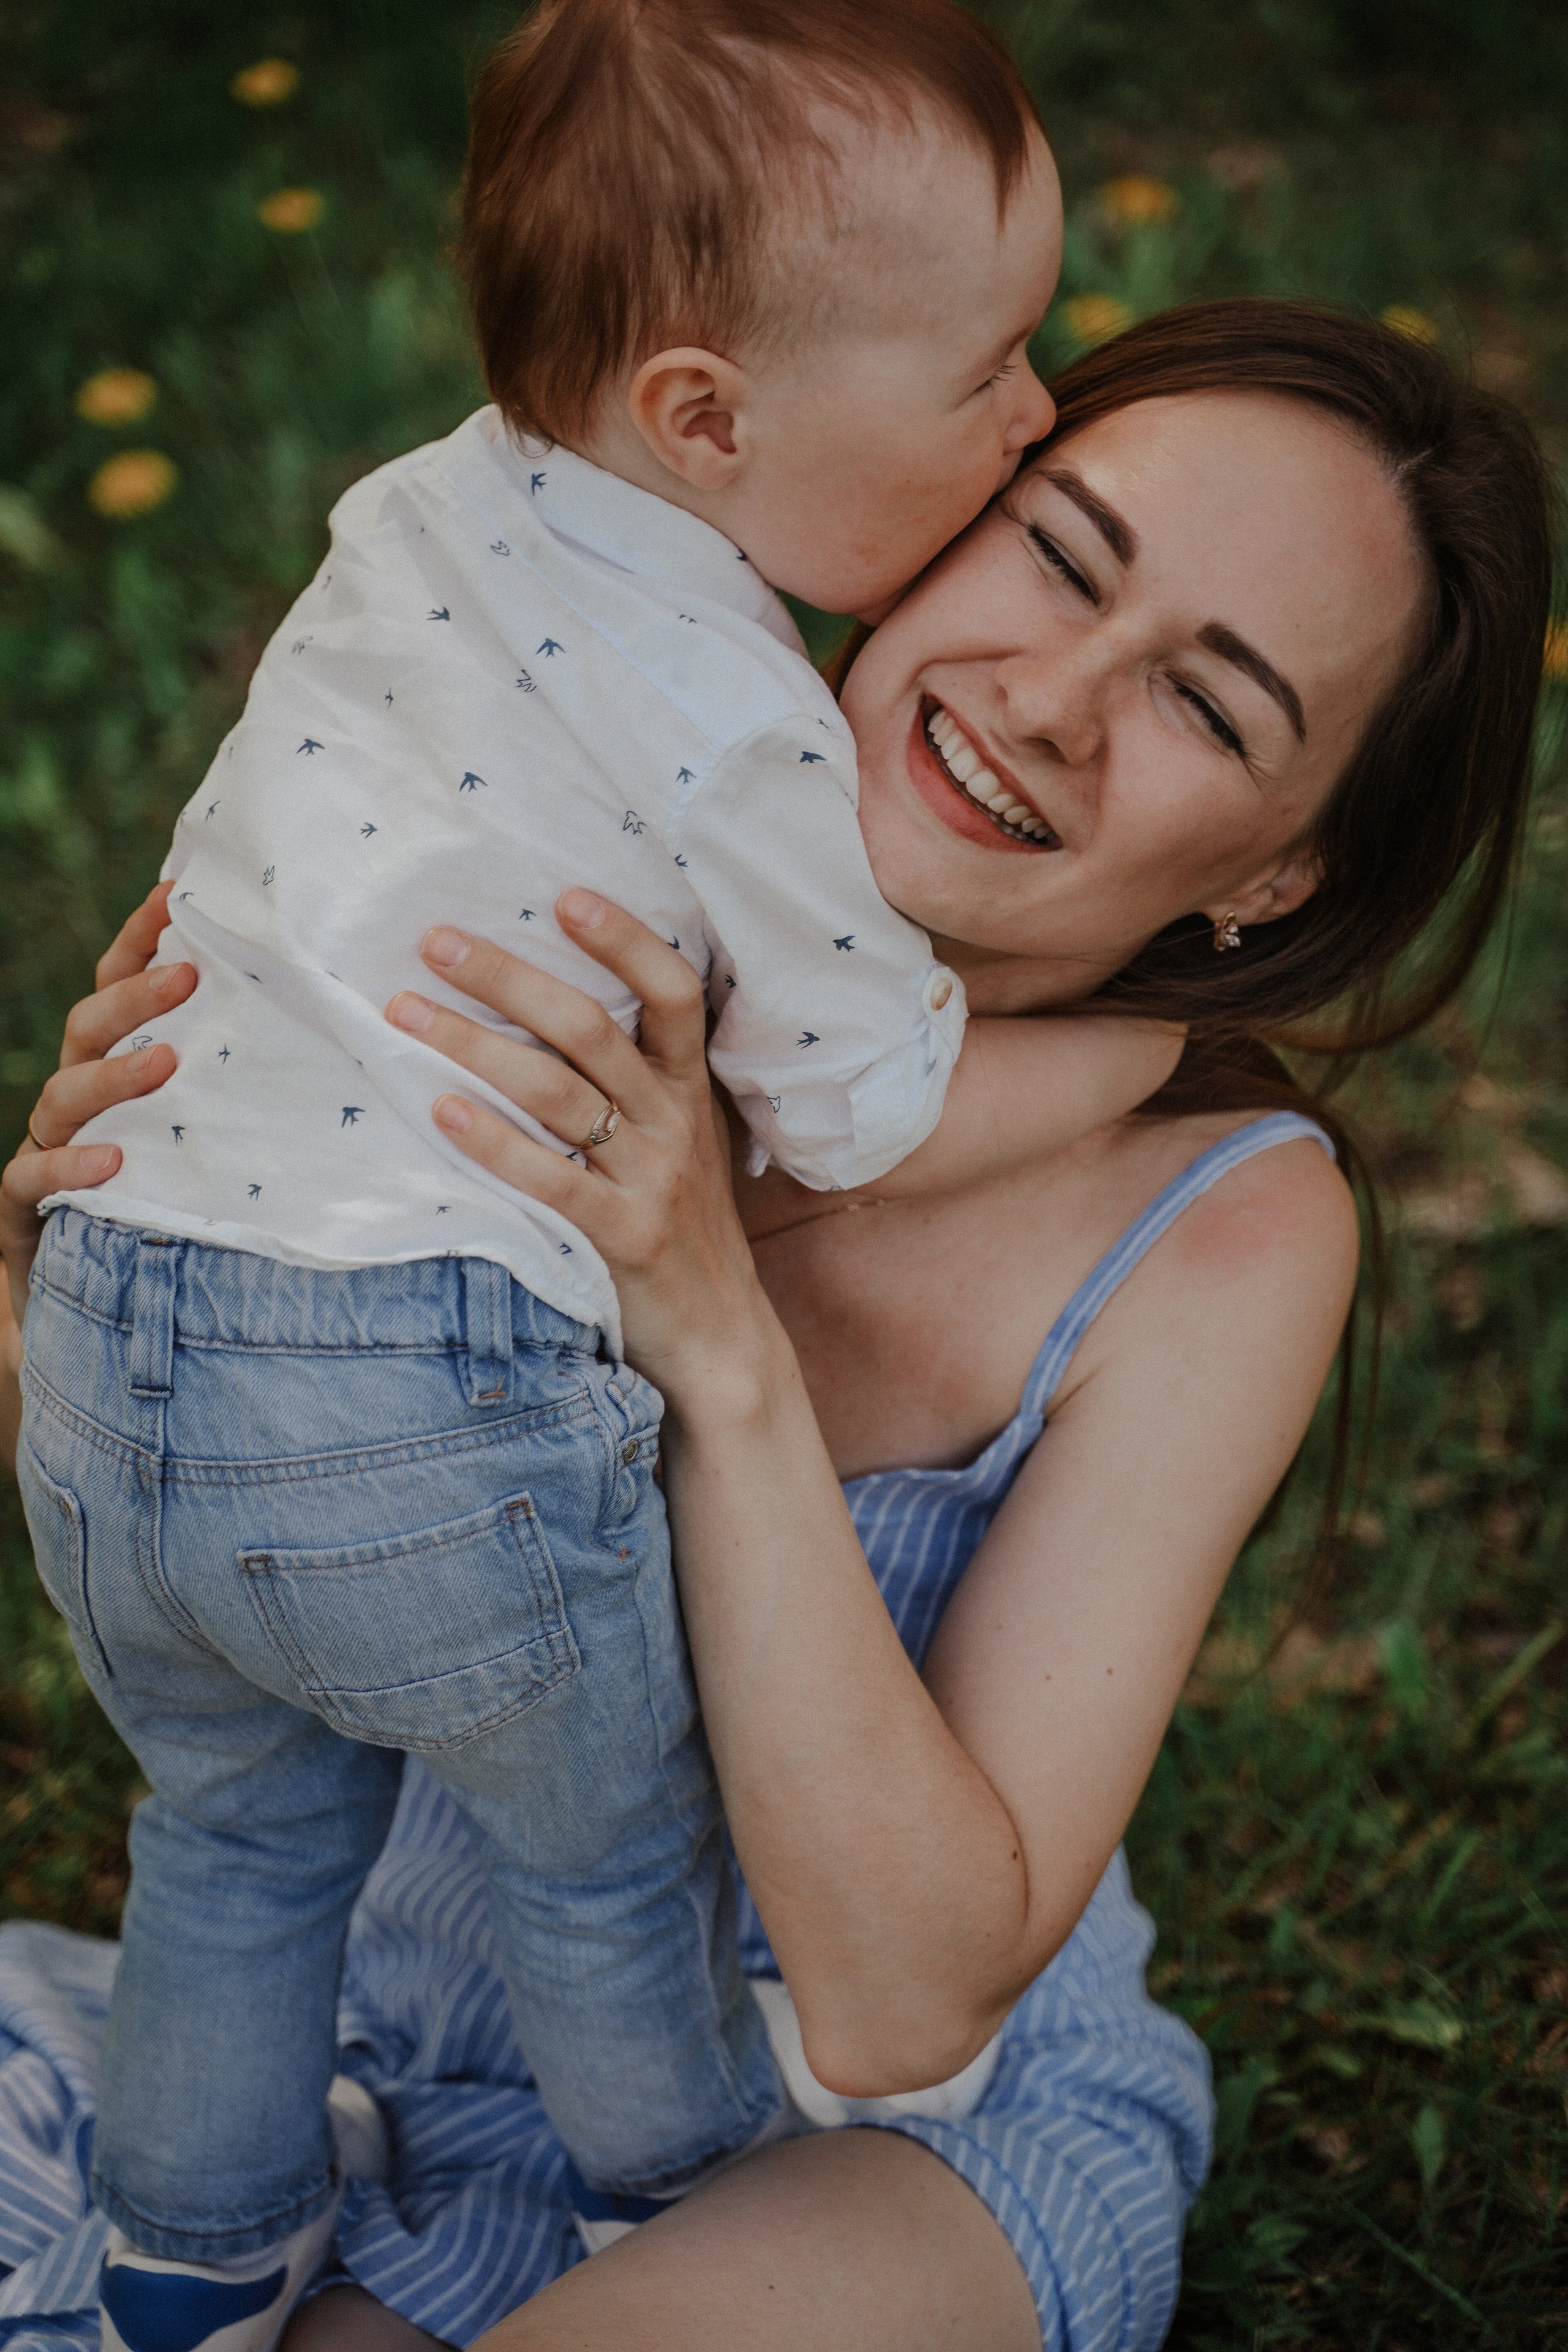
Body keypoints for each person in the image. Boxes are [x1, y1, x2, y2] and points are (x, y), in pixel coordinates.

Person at [1, 301, 1550, 2352]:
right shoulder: (511, 869)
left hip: (859, 2149)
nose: (1055, 697)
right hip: (336, 2027)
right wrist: (79, 1296)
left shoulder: (1224, 1228)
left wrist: (716, 1346)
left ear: (1279, 866)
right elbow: (233, 1570)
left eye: (1214, 705)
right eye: (1062, 555)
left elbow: (908, 2001)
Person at [12, 8, 1189, 2346]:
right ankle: (668, 2193)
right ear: (706, 420)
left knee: (232, 1842)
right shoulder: (730, 713)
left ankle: (186, 2273)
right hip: (401, 1401)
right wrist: (1154, 1046)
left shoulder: (402, 529)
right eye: (992, 372)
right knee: (607, 1854)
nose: (1035, 401)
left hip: (114, 1346)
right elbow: (863, 1114)